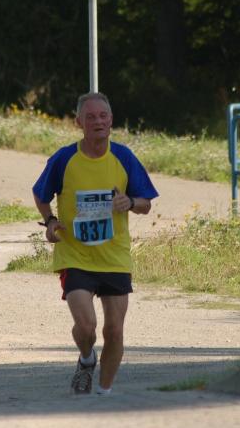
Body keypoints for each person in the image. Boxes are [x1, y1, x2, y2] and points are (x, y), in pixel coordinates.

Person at [32, 92, 158, 395]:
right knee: (86, 326)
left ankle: (104, 393)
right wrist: (50, 222)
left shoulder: (124, 157)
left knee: (114, 330)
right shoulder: (64, 158)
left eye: (103, 116)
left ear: (111, 120)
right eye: (90, 117)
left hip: (114, 257)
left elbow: (146, 203)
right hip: (75, 255)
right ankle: (87, 358)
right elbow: (40, 193)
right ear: (79, 122)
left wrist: (130, 202)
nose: (98, 122)